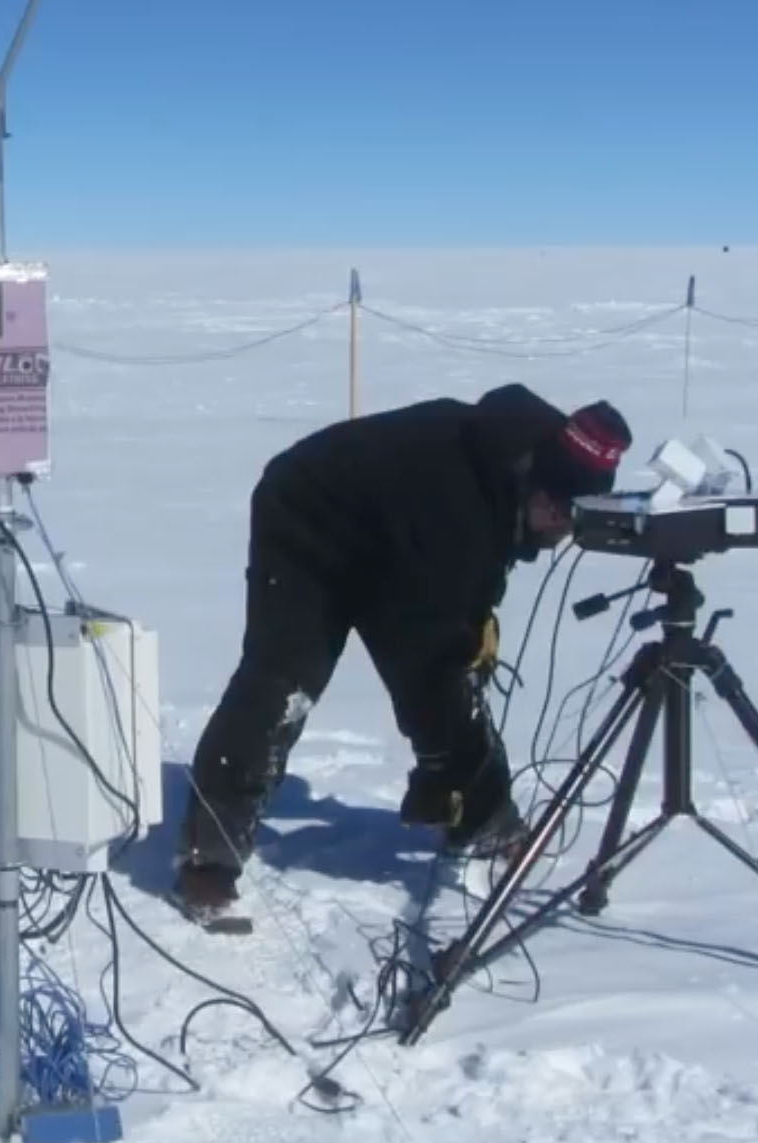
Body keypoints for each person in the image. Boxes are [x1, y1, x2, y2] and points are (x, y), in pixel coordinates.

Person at [172, 383, 632, 920]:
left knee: (449, 683)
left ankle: (483, 820)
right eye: (554, 509)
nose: (559, 525)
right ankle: (210, 855)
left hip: (400, 540)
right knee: (282, 681)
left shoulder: (531, 465)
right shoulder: (457, 496)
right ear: (534, 482)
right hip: (310, 518)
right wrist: (461, 636)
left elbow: (460, 599)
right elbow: (440, 611)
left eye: (572, 516)